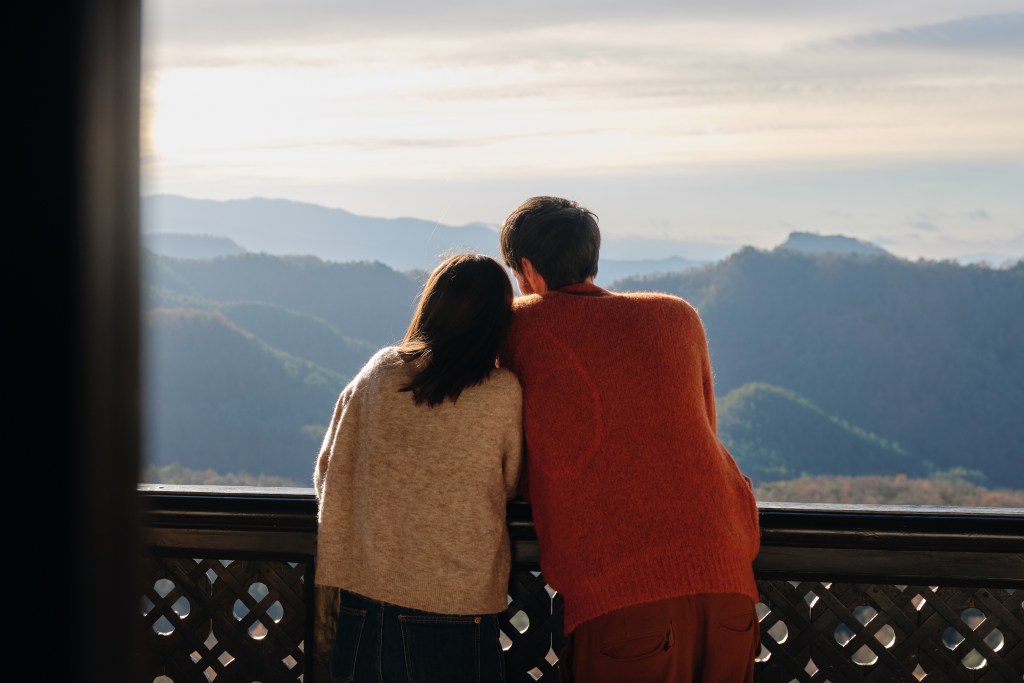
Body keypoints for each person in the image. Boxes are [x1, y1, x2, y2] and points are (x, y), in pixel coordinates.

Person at [497, 196, 761, 683]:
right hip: (728, 583)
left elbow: (509, 457)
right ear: (592, 256)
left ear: (527, 270)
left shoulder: (519, 327)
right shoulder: (678, 316)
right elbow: (701, 431)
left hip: (624, 599)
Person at [313, 252, 523, 683]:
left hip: (364, 599)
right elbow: (511, 482)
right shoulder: (500, 391)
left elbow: (328, 471)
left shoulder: (380, 370)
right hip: (456, 606)